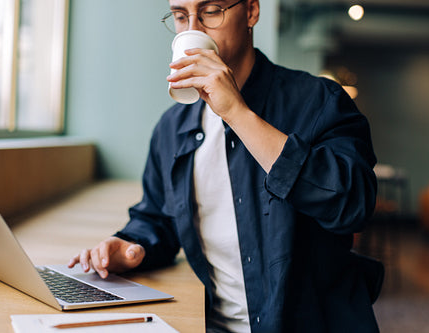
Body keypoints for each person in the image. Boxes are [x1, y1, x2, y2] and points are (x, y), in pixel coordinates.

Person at [68, 0, 384, 332]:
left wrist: (237, 113)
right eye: (180, 16)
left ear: (250, 11)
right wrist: (132, 246)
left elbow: (354, 205)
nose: (193, 30)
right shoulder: (172, 128)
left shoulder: (319, 100)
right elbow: (158, 217)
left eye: (210, 11)